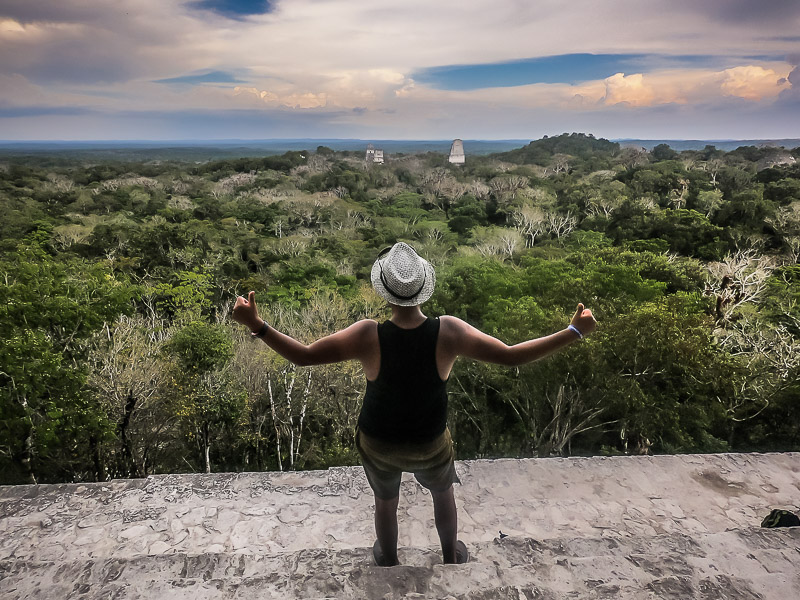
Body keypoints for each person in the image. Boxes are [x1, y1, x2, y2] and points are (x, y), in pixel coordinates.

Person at [232, 242, 597, 566]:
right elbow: (511, 357)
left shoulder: (366, 334)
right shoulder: (449, 331)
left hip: (379, 441)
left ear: (385, 293)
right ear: (424, 289)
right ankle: (450, 555)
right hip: (430, 442)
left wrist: (258, 325)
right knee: (443, 494)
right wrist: (573, 332)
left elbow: (305, 356)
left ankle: (388, 559)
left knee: (385, 502)